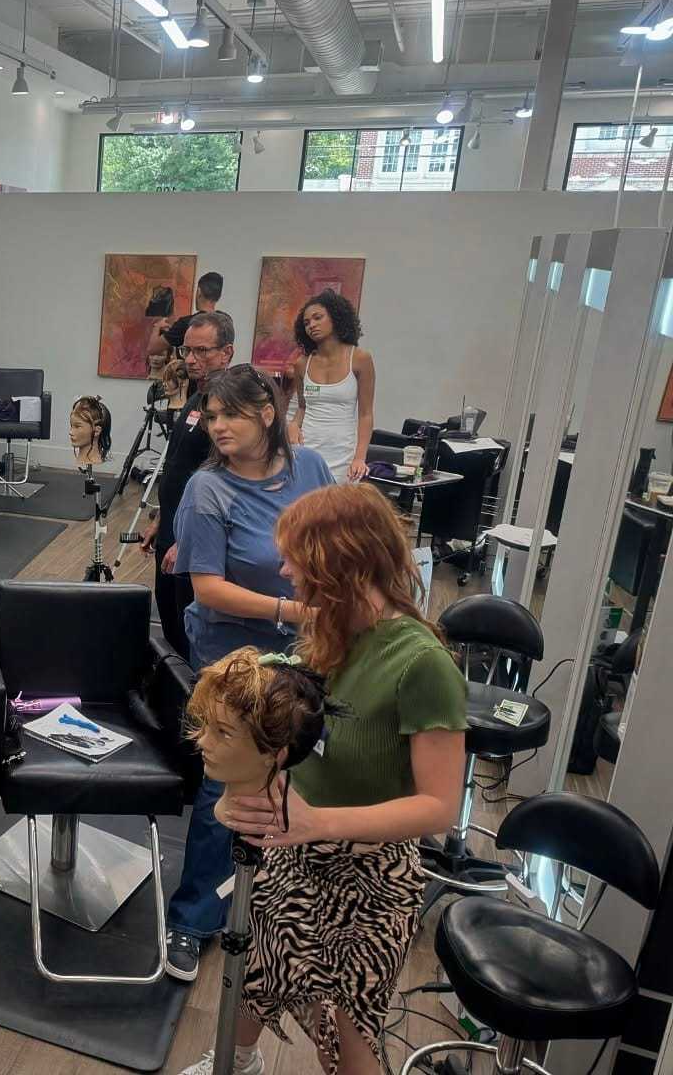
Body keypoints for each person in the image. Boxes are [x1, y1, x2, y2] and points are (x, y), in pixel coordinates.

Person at [178, 484, 466, 1075]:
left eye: (293, 557)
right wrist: (239, 797)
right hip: (297, 850)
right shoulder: (331, 638)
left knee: (348, 1034)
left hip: (371, 876)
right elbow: (268, 721)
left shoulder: (422, 664)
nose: (283, 569)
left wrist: (315, 822)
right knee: (256, 969)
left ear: (341, 563)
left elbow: (439, 806)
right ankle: (235, 1059)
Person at [163, 363, 334, 983]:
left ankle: (282, 906)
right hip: (231, 651)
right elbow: (207, 589)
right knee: (226, 784)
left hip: (305, 644)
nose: (217, 426)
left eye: (229, 414)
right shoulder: (207, 489)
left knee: (301, 767)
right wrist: (294, 608)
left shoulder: (310, 469)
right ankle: (193, 918)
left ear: (267, 414)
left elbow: (332, 542)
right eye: (211, 417)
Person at [137, 312, 233, 661]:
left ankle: (195, 706)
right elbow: (178, 467)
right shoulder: (195, 401)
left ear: (227, 353)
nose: (191, 359)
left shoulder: (229, 412)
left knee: (192, 633)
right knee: (170, 624)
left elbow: (221, 482)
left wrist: (187, 540)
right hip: (172, 533)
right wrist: (161, 519)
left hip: (193, 541)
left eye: (202, 351)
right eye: (187, 350)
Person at [288, 291, 375, 483]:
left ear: (336, 317)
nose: (312, 325)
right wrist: (293, 425)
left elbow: (366, 414)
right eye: (307, 323)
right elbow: (302, 407)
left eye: (318, 318)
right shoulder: (302, 364)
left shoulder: (360, 359)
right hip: (307, 450)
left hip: (344, 453)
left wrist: (360, 457)